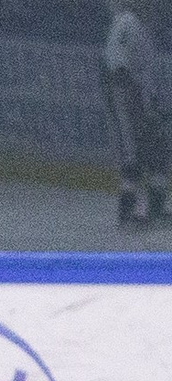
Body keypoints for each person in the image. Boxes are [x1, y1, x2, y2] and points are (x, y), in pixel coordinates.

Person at [105, 0, 167, 227]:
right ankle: (129, 211)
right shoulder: (127, 22)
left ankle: (154, 208)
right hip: (130, 99)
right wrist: (131, 99)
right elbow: (117, 64)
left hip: (141, 99)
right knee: (134, 152)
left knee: (156, 150)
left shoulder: (139, 25)